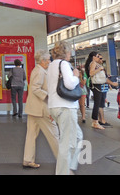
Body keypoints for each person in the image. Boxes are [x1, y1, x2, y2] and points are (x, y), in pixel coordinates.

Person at [47, 41, 82, 175]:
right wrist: (76, 76)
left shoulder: (51, 65)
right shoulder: (64, 64)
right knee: (67, 144)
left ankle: (68, 168)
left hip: (55, 106)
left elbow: (50, 87)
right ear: (65, 52)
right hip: (65, 107)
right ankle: (63, 172)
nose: (70, 54)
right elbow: (69, 84)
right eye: (69, 52)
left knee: (77, 137)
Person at [23, 50, 59, 169]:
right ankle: (63, 160)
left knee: (31, 135)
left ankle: (28, 160)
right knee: (54, 134)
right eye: (48, 59)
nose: (50, 61)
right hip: (41, 109)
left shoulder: (39, 70)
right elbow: (35, 88)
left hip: (34, 108)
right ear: (43, 61)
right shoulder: (40, 71)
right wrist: (48, 96)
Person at [84, 52, 118, 130]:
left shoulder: (94, 63)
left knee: (98, 103)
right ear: (93, 57)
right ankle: (95, 122)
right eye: (97, 56)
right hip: (96, 85)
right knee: (97, 104)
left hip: (98, 85)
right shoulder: (93, 63)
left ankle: (96, 121)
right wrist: (99, 69)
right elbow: (91, 73)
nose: (98, 58)